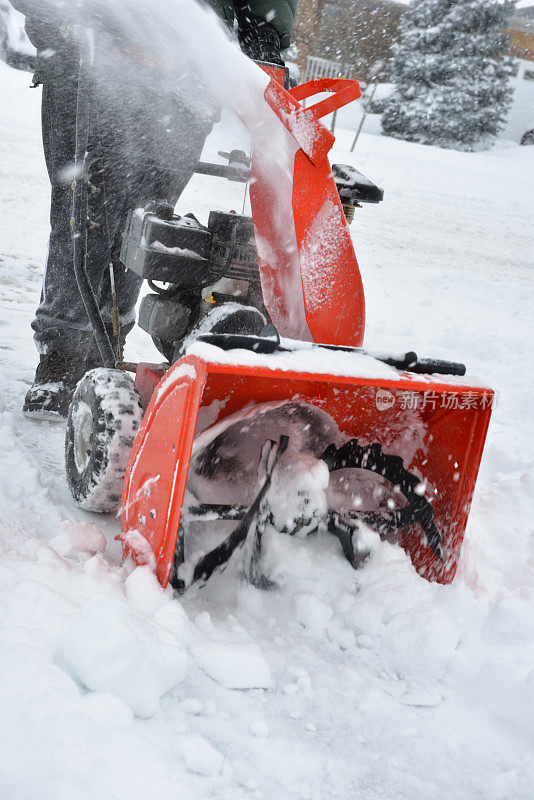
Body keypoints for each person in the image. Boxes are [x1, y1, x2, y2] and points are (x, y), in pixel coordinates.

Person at [10, 0, 297, 419]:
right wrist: (60, 22)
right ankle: (62, 354)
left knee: (145, 224)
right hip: (89, 61)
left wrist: (262, 35)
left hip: (185, 81)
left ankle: (105, 345)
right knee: (85, 216)